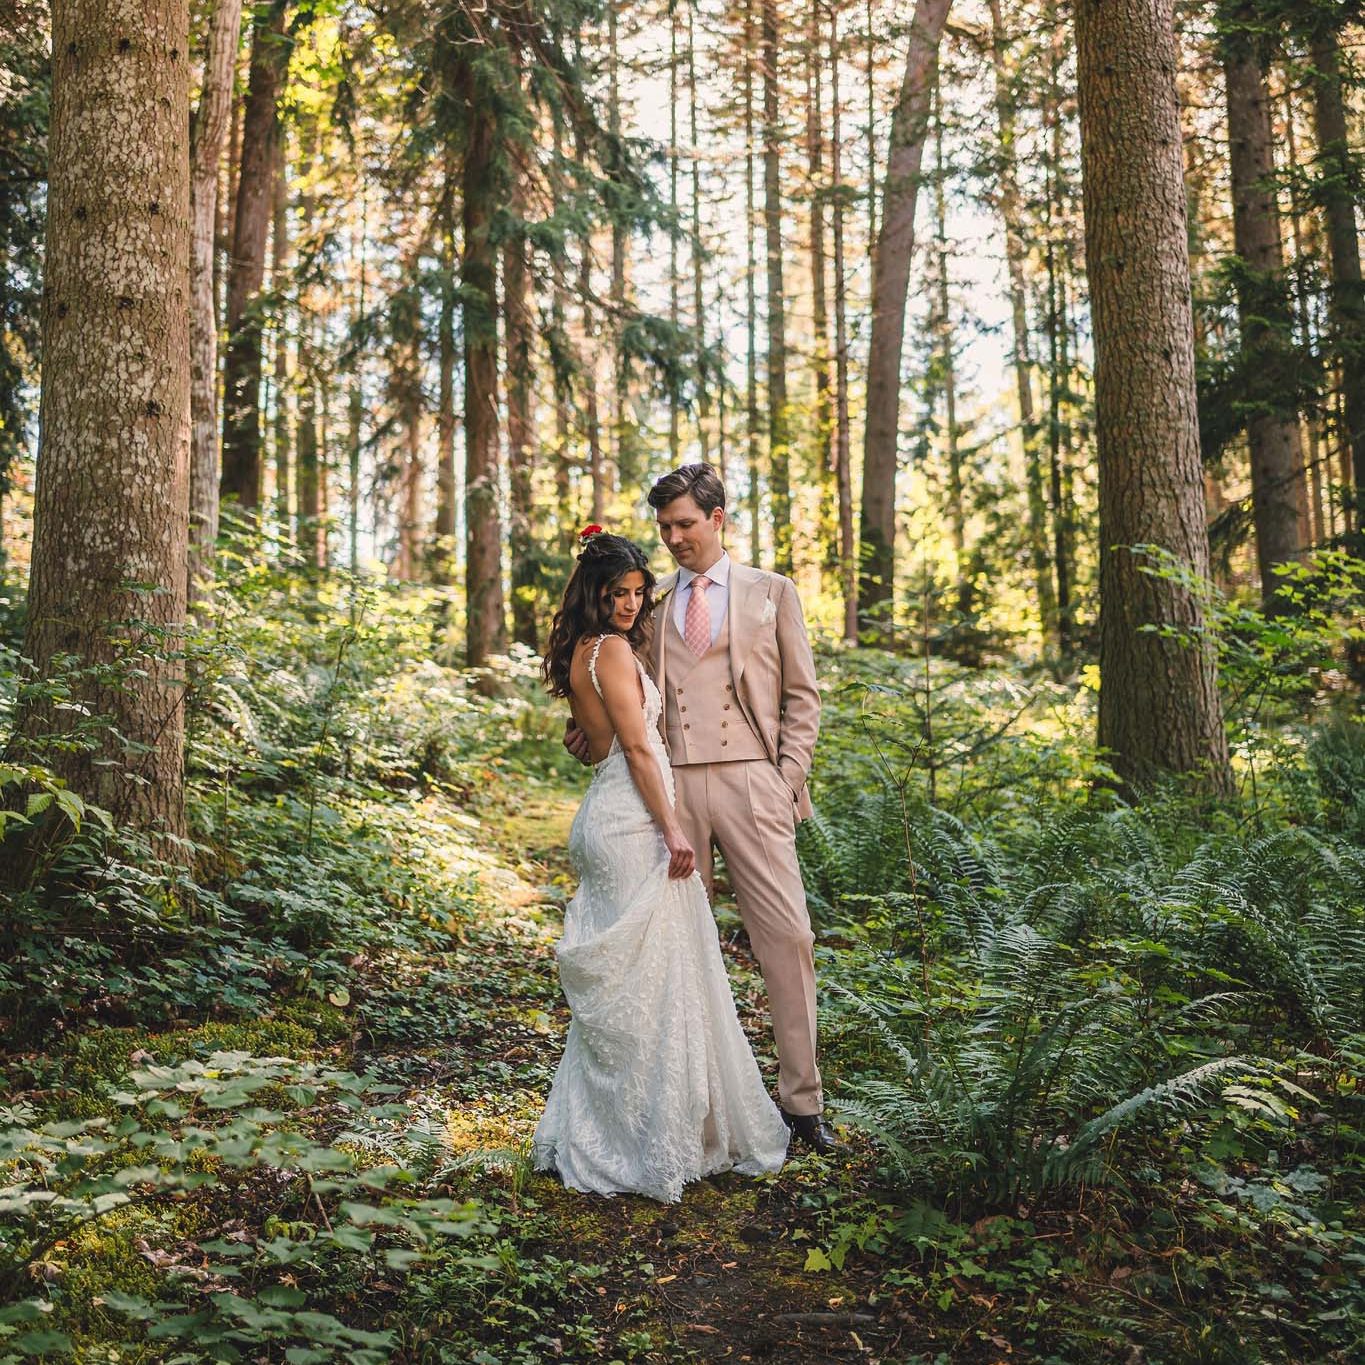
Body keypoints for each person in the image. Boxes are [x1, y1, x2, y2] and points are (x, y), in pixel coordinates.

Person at [565, 465, 839, 1155]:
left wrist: (785, 778)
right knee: (678, 950)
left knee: (789, 937)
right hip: (671, 789)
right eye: (665, 528)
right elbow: (621, 706)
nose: (674, 537)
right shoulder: (647, 612)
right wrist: (586, 730)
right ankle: (695, 1105)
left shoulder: (771, 593)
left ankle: (801, 1103)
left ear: (718, 518)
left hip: (754, 783)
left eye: (685, 523)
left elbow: (803, 697)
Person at [531, 530, 791, 1203]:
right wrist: (673, 827)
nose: (629, 601)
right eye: (616, 592)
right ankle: (642, 1137)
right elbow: (642, 754)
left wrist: (597, 744)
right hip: (632, 825)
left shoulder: (583, 651)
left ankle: (619, 1125)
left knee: (638, 982)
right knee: (651, 980)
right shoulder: (614, 650)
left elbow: (594, 749)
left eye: (636, 590)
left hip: (606, 813)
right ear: (593, 593)